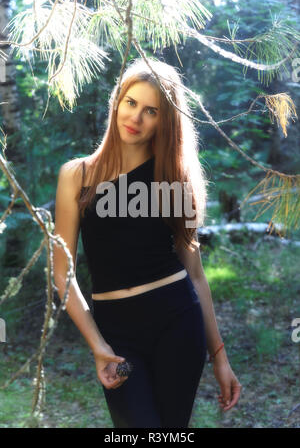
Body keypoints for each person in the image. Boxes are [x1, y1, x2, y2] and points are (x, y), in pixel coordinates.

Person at [53, 57, 242, 428]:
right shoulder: (77, 176)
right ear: (116, 103)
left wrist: (219, 357)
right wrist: (99, 347)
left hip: (177, 322)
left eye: (151, 110)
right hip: (116, 333)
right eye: (131, 103)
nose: (136, 118)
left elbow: (196, 275)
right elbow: (63, 274)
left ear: (164, 121)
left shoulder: (172, 178)